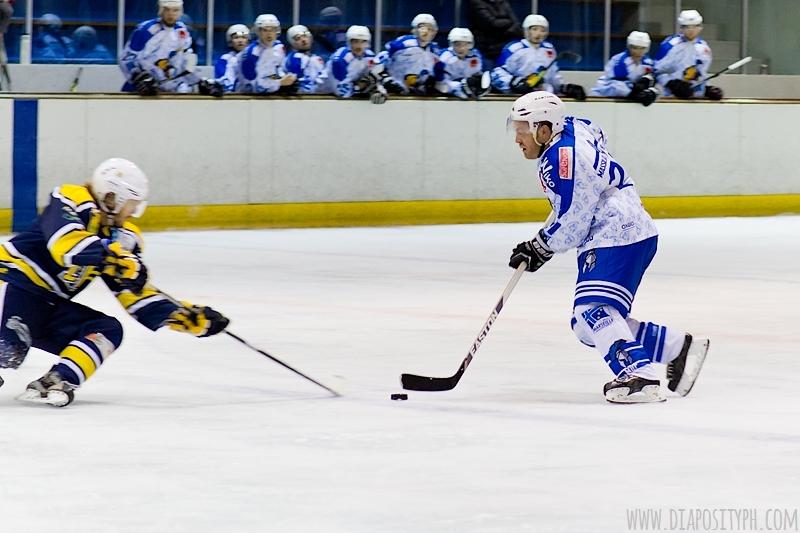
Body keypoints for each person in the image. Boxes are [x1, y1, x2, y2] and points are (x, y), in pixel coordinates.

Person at [505, 91, 710, 403]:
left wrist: (541, 246)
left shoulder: (562, 159)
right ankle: (677, 348)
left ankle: (639, 376)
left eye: (523, 131)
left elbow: (574, 221)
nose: (517, 139)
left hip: (617, 232)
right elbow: (595, 134)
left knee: (592, 310)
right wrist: (541, 242)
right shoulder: (571, 127)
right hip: (623, 229)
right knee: (585, 324)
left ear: (543, 130)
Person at [0, 158, 229, 407]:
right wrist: (112, 255)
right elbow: (65, 244)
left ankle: (58, 380)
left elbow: (134, 293)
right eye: (132, 203)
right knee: (8, 350)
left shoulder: (119, 237)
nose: (133, 211)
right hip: (11, 282)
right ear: (112, 196)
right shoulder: (71, 198)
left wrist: (183, 316)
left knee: (106, 330)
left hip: (45, 305)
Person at [119, 0, 222, 97]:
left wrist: (200, 81)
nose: (171, 14)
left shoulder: (182, 31)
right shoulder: (145, 30)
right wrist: (138, 78)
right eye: (167, 9)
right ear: (160, 10)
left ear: (181, 11)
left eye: (175, 10)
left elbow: (185, 63)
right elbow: (126, 58)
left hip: (171, 91)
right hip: (142, 91)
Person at [491, 14, 585, 100]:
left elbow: (553, 77)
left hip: (544, 98)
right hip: (518, 99)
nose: (539, 33)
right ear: (526, 30)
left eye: (542, 30)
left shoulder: (549, 49)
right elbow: (497, 73)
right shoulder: (514, 48)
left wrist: (564, 88)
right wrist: (513, 82)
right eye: (534, 29)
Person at [654, 9, 722, 100]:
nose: (691, 30)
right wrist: (672, 84)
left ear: (700, 27)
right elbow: (656, 71)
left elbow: (702, 73)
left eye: (695, 26)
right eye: (687, 27)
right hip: (671, 98)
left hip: (696, 98)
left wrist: (708, 89)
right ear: (681, 27)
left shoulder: (704, 47)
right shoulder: (670, 45)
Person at [370, 13, 440, 96]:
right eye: (422, 27)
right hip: (395, 92)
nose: (426, 31)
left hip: (419, 95)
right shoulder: (403, 43)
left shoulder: (434, 50)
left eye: (430, 28)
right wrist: (386, 79)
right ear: (415, 29)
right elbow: (380, 61)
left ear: (434, 31)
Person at [590, 31, 658, 106]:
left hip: (624, 99)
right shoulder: (619, 60)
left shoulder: (648, 63)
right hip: (602, 96)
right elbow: (617, 86)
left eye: (642, 48)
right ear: (629, 46)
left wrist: (650, 93)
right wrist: (636, 94)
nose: (638, 51)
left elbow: (653, 82)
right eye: (634, 48)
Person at [237, 14, 297, 95]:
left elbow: (270, 74)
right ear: (258, 32)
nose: (269, 34)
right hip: (248, 97)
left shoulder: (278, 47)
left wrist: (284, 78)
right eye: (265, 30)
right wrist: (280, 83)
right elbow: (254, 83)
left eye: (273, 30)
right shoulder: (251, 53)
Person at [434, 27, 490, 100]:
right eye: (458, 44)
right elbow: (439, 83)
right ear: (451, 44)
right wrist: (459, 87)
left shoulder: (476, 56)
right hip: (449, 94)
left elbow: (479, 75)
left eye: (465, 44)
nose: (462, 48)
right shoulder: (444, 57)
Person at [325, 25, 379, 100]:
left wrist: (378, 90)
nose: (359, 46)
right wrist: (359, 88)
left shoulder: (370, 56)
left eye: (363, 41)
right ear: (349, 42)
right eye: (355, 41)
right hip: (323, 94)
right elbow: (342, 92)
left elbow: (375, 77)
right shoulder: (340, 59)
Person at [465, 0, 522, 68]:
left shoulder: (502, 1)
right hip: (486, 48)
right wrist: (509, 22)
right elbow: (492, 24)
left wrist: (507, 30)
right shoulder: (476, 2)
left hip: (505, 44)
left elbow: (516, 22)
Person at [284, 24, 329, 94]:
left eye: (305, 36)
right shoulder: (294, 58)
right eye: (298, 38)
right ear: (293, 43)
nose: (303, 40)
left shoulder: (316, 57)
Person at [215, 23, 249, 93]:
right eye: (236, 37)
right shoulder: (225, 59)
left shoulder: (254, 57)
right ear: (230, 41)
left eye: (243, 37)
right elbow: (222, 80)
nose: (240, 41)